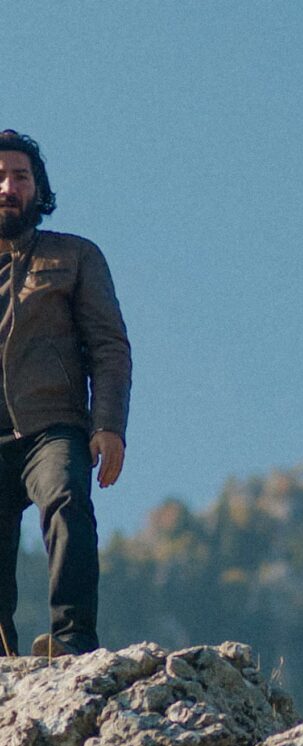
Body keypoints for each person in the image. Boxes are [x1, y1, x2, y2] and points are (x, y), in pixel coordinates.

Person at [0, 130, 131, 657]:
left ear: (38, 189)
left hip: (51, 425)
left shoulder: (74, 256)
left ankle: (72, 641)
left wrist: (109, 425)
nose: (8, 187)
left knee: (67, 499)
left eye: (20, 177)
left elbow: (109, 346)